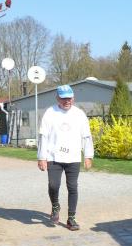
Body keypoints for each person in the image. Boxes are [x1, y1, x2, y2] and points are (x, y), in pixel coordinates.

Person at [37, 85, 94, 231]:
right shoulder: (50, 113)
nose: (67, 101)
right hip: (53, 157)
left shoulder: (79, 114)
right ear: (57, 98)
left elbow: (86, 136)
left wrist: (88, 155)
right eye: (63, 98)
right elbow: (43, 136)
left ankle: (71, 218)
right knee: (53, 185)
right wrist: (41, 157)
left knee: (72, 187)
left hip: (73, 157)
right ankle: (55, 206)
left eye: (69, 98)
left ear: (73, 98)